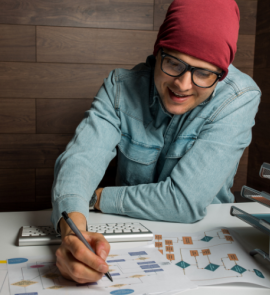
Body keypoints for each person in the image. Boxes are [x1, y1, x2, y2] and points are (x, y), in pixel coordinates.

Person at [51, 0, 261, 284]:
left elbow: (184, 202)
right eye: (173, 62)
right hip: (126, 232)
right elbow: (81, 159)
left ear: (221, 74)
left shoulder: (239, 98)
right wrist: (72, 230)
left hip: (207, 240)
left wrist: (97, 197)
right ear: (157, 52)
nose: (183, 85)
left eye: (203, 73)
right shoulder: (119, 86)